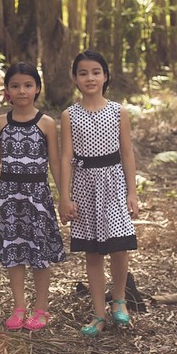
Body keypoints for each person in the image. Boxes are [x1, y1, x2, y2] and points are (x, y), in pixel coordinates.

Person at [0, 62, 66, 331]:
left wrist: (64, 197)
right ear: (7, 91)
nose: (22, 91)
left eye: (27, 85)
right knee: (13, 251)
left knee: (39, 252)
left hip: (37, 196)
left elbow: (55, 162)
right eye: (15, 86)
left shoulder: (46, 123)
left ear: (37, 88)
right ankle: (19, 306)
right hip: (9, 196)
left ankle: (41, 308)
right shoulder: (0, 122)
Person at [59, 50, 140, 337]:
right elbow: (66, 157)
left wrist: (132, 192)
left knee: (119, 244)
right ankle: (98, 313)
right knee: (92, 252)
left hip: (114, 183)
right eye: (83, 73)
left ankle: (119, 299)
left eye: (96, 72)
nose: (90, 78)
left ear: (106, 76)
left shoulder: (118, 111)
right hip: (84, 186)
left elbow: (127, 153)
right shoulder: (69, 115)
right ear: (75, 79)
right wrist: (64, 197)